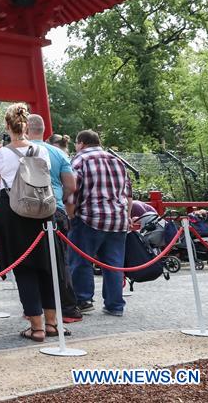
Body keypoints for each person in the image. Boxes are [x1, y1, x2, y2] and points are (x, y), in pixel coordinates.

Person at [0, 103, 60, 343]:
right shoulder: (42, 151)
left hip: (15, 213)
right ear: (27, 125)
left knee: (25, 268)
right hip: (42, 212)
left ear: (7, 126)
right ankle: (51, 323)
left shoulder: (1, 153)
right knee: (45, 267)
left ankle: (36, 327)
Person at [67, 130, 131, 317]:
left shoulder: (80, 160)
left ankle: (83, 299)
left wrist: (70, 216)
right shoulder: (117, 161)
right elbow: (127, 193)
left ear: (82, 143)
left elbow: (73, 191)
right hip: (118, 219)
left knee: (81, 260)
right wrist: (126, 217)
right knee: (114, 264)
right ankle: (115, 304)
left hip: (90, 217)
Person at [26, 115, 81, 322]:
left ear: (26, 129)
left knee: (31, 262)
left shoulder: (20, 149)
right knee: (60, 261)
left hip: (28, 212)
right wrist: (60, 198)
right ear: (45, 130)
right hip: (55, 209)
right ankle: (67, 307)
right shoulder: (58, 152)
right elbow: (71, 185)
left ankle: (35, 310)